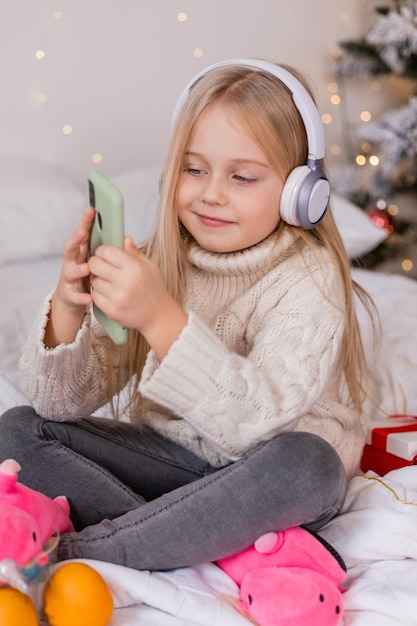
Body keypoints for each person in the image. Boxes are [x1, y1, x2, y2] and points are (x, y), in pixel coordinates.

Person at [0, 59, 375, 572]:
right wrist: (69, 305)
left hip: (263, 475)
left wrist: (161, 318)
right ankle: (201, 539)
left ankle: (94, 550)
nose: (211, 193)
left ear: (299, 194)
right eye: (194, 169)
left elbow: (255, 425)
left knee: (310, 465)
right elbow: (59, 403)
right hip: (171, 464)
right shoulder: (161, 260)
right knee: (19, 430)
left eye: (242, 176)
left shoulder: (309, 278)